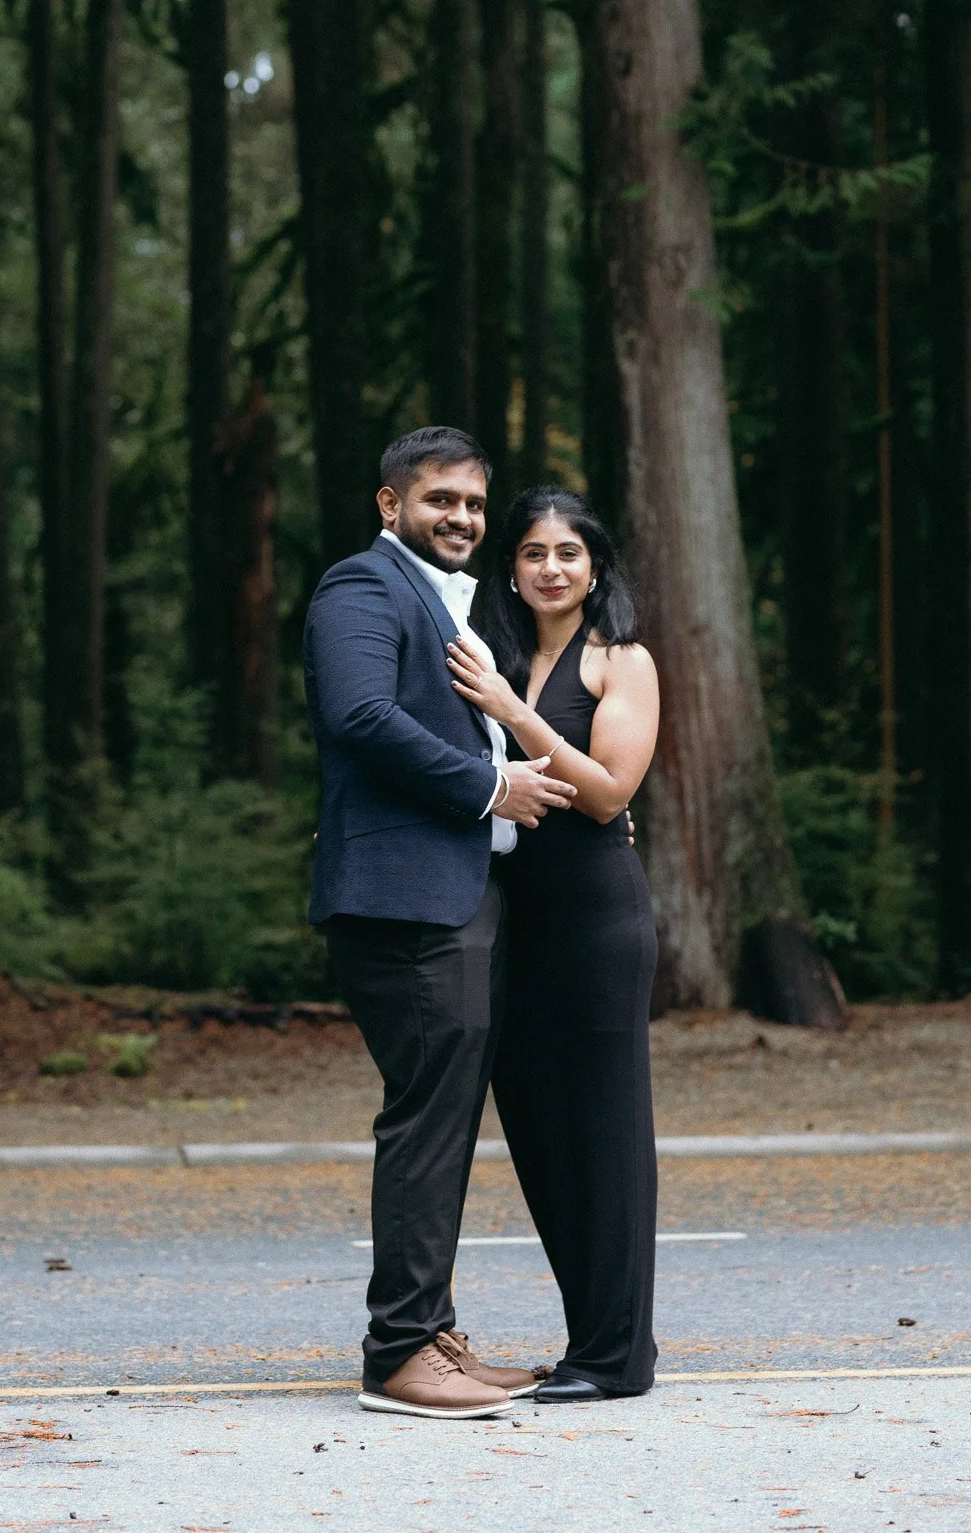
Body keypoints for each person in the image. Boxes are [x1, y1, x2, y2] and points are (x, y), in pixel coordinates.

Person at [302, 428, 578, 1419]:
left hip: (459, 894)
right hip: (403, 899)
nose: (461, 517)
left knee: (446, 1119)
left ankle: (432, 1335)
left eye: (473, 502)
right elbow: (360, 715)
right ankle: (399, 1354)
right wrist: (489, 785)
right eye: (440, 499)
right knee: (425, 1119)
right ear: (391, 504)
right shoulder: (361, 587)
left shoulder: (449, 599)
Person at [448, 487, 661, 1401]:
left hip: (596, 922)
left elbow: (608, 793)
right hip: (508, 923)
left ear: (595, 567)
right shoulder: (486, 658)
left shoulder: (622, 661)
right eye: (533, 553)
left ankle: (617, 1358)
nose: (550, 568)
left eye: (567, 553)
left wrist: (515, 713)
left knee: (605, 1136)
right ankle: (594, 1338)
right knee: (539, 1137)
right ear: (510, 569)